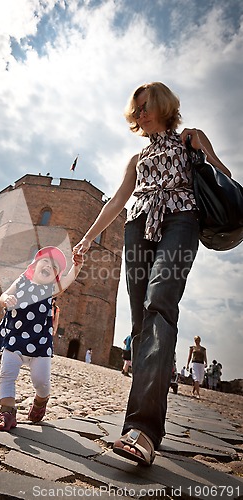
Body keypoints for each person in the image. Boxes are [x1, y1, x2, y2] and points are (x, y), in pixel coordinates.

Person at [73, 82, 230, 466]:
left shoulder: (191, 138)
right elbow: (118, 200)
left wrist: (205, 155)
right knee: (141, 322)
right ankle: (136, 427)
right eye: (136, 110)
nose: (139, 115)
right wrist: (87, 239)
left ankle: (143, 430)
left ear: (163, 105)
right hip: (138, 226)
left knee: (160, 304)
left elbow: (223, 177)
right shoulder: (137, 158)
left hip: (181, 219)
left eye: (145, 107)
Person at [0, 246, 83, 431]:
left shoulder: (50, 290)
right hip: (15, 339)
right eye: (46, 261)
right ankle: (7, 411)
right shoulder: (23, 280)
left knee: (41, 381)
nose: (49, 266)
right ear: (35, 265)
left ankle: (41, 401)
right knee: (7, 375)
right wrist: (6, 299)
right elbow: (5, 294)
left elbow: (68, 281)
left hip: (40, 344)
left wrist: (77, 266)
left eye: (55, 266)